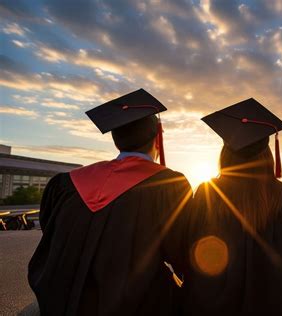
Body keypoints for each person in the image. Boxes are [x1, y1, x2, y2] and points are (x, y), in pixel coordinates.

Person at [28, 89, 192, 315]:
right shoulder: (169, 184)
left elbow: (52, 233)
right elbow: (180, 252)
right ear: (157, 137)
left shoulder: (66, 183)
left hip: (62, 301)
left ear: (116, 141)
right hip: (135, 303)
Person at [176, 98, 282, 316]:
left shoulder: (208, 194)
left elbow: (188, 252)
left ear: (225, 154)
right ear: (267, 154)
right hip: (278, 305)